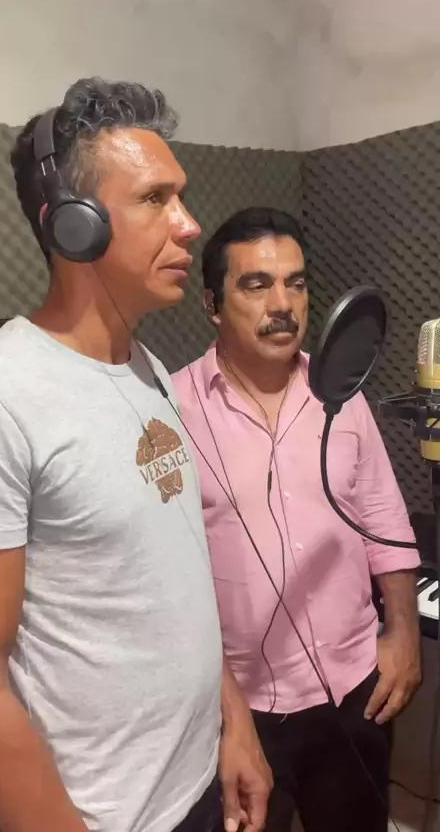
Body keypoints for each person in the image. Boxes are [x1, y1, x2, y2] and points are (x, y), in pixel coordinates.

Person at [0, 81, 272, 832]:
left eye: (181, 197)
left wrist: (233, 723)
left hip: (197, 785)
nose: (190, 224)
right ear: (73, 226)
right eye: (155, 199)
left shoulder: (146, 368)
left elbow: (174, 580)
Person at [172, 206, 422, 832]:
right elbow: (167, 583)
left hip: (355, 687)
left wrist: (403, 632)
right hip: (241, 712)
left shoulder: (343, 394)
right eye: (256, 284)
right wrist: (226, 716)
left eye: (296, 283)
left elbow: (383, 516)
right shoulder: (170, 413)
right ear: (212, 304)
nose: (282, 304)